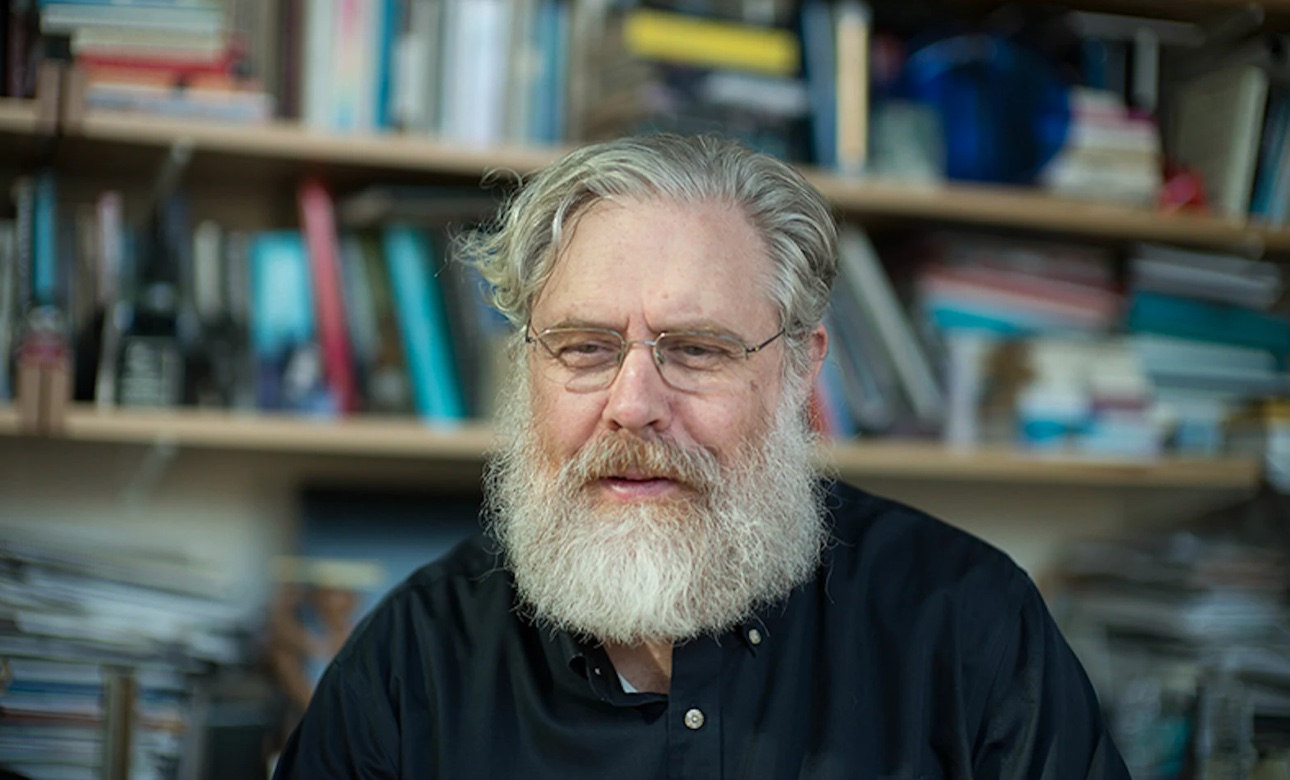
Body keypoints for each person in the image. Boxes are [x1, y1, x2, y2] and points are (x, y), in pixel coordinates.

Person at [272, 134, 1129, 779]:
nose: (634, 405)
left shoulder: (970, 627)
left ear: (800, 369)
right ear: (528, 367)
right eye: (584, 348)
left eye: (697, 350)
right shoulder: (410, 661)